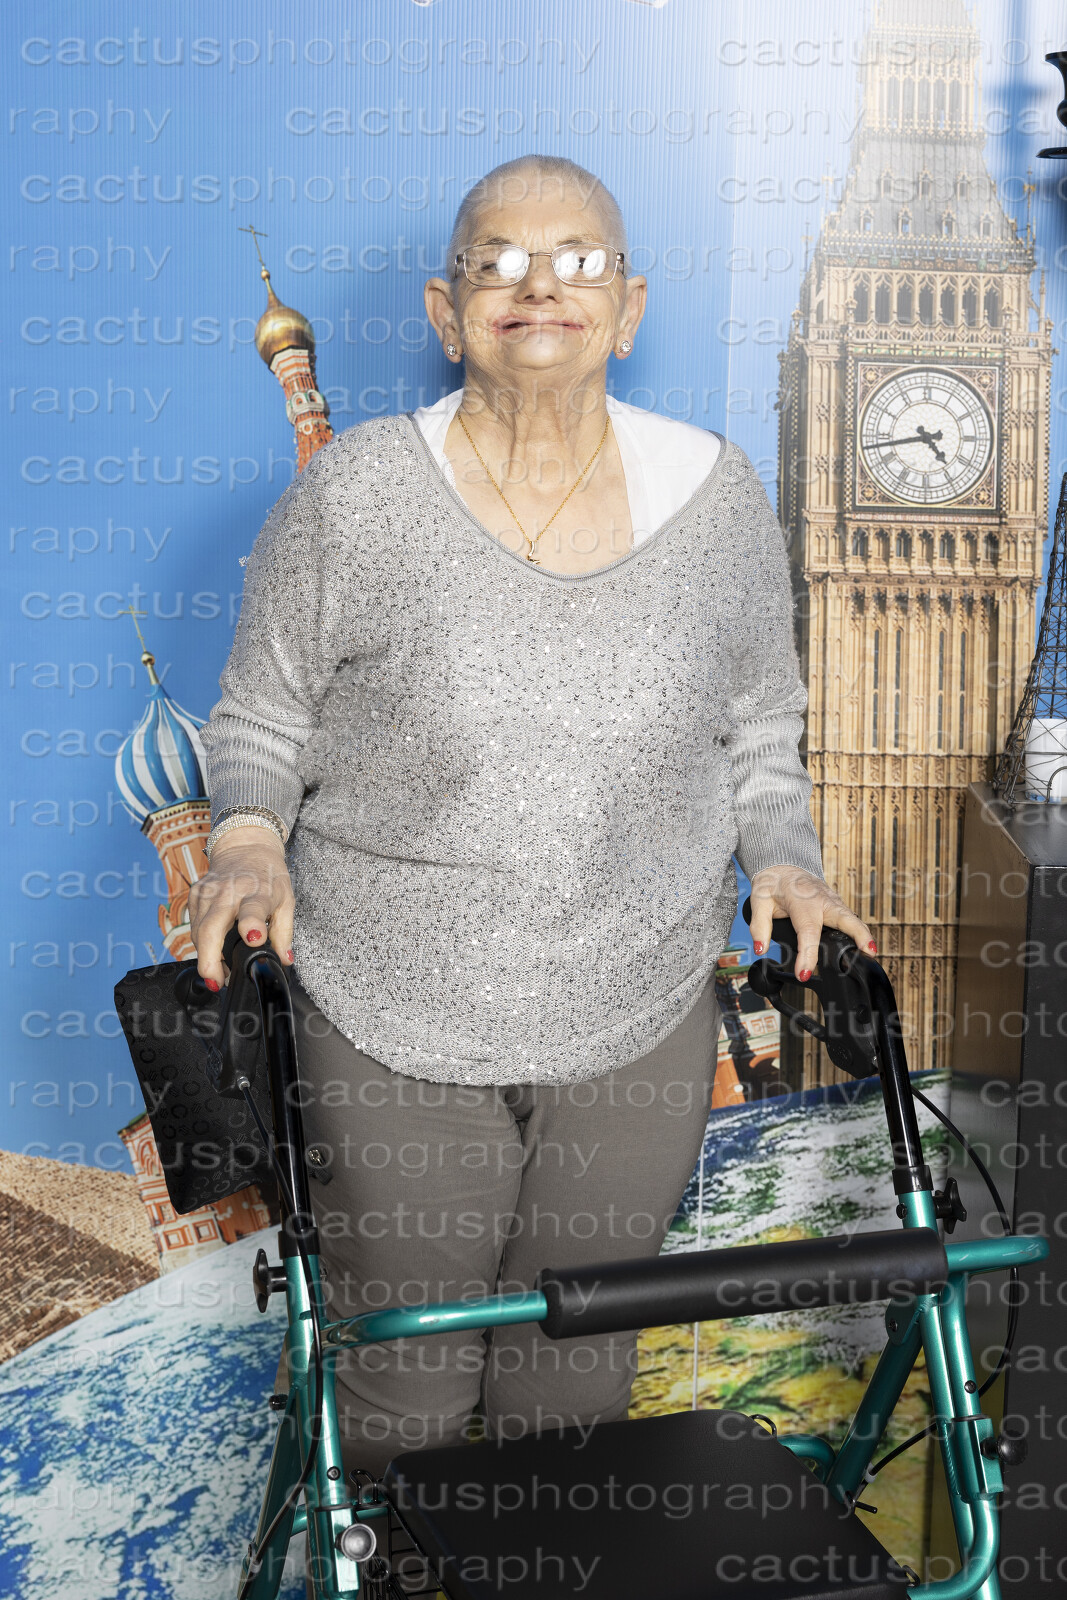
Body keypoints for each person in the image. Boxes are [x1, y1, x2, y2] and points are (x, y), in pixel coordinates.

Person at [192, 154, 875, 1494]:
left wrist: (787, 860)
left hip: (638, 1008)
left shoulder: (716, 493)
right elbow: (262, 719)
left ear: (629, 307)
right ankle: (377, 1570)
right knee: (406, 1381)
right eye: (499, 261)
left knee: (574, 1381)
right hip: (392, 1007)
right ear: (446, 313)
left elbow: (759, 727)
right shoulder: (355, 496)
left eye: (578, 260)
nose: (539, 285)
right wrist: (248, 839)